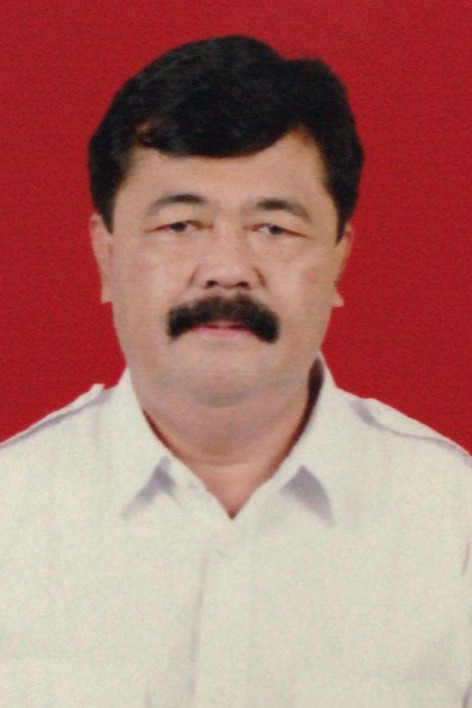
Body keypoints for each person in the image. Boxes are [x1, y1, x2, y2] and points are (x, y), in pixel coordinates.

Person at [0, 35, 470, 708]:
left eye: (274, 229)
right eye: (180, 225)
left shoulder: (453, 522)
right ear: (106, 256)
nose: (227, 269)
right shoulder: (11, 510)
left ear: (339, 259)